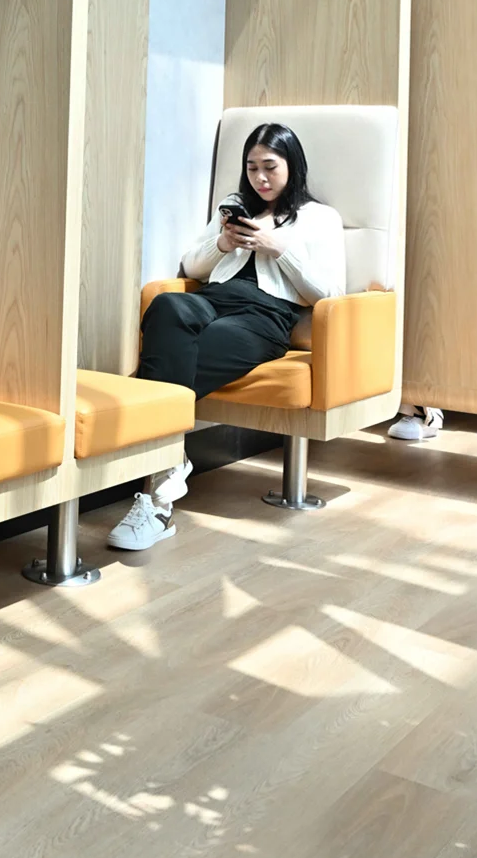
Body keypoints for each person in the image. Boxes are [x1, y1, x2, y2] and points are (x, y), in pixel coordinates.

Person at [108, 122, 345, 551]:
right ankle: (169, 459)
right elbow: (191, 267)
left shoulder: (320, 218)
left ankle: (159, 497)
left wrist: (279, 250)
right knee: (167, 305)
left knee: (180, 354)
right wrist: (222, 242)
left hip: (266, 317)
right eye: (252, 167)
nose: (261, 177)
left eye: (270, 167)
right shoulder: (235, 206)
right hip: (215, 299)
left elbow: (328, 293)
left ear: (293, 165)